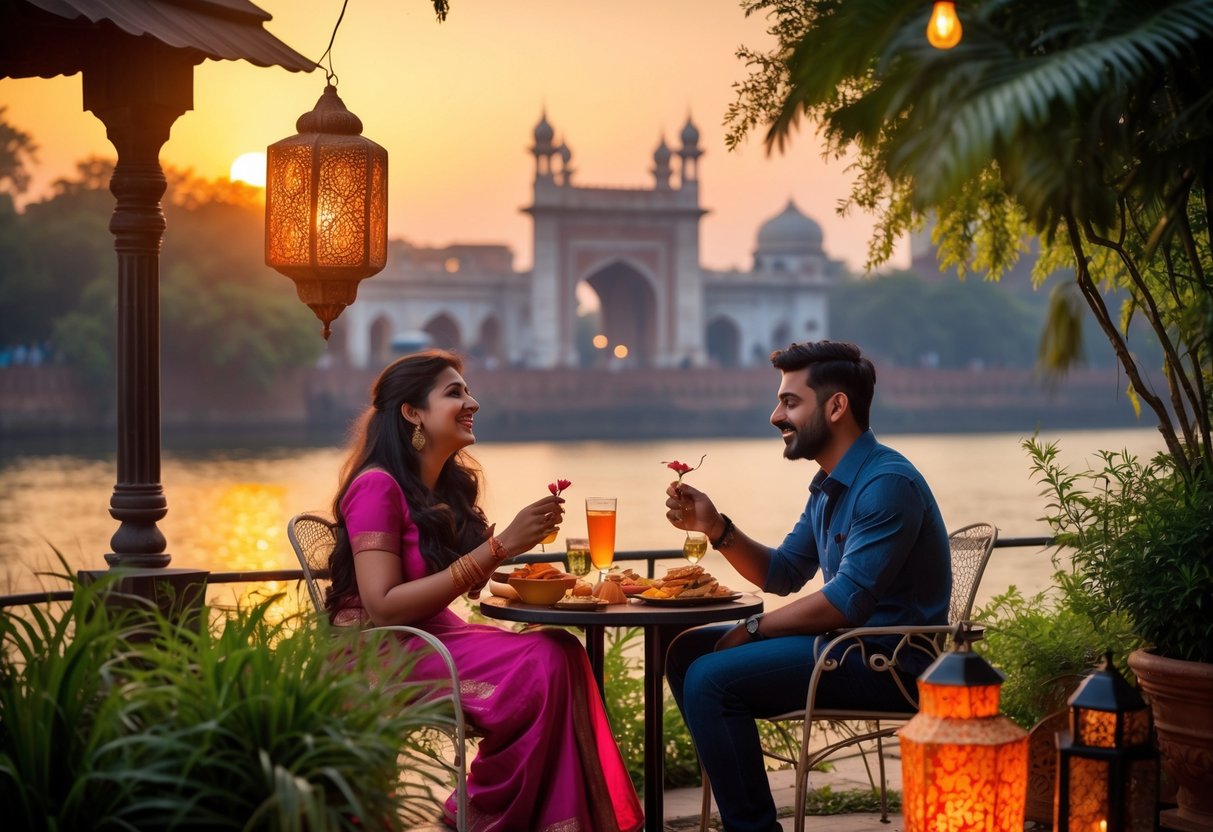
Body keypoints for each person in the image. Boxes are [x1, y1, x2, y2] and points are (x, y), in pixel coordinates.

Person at [325, 349, 643, 832]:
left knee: (560, 648)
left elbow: (461, 585)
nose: (472, 401)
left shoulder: (434, 488)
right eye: (454, 393)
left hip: (431, 635)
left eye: (468, 390)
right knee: (545, 662)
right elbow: (383, 606)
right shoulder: (377, 486)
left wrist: (530, 574)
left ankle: (493, 810)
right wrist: (499, 547)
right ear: (413, 412)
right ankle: (489, 815)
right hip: (380, 649)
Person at [663, 340, 951, 832]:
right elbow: (782, 573)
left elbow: (845, 601)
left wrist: (753, 629)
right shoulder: (829, 485)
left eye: (791, 402)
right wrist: (716, 528)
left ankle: (752, 828)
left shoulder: (886, 483)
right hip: (844, 647)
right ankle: (744, 811)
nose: (776, 415)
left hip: (888, 661)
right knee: (687, 652)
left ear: (837, 406)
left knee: (712, 679)